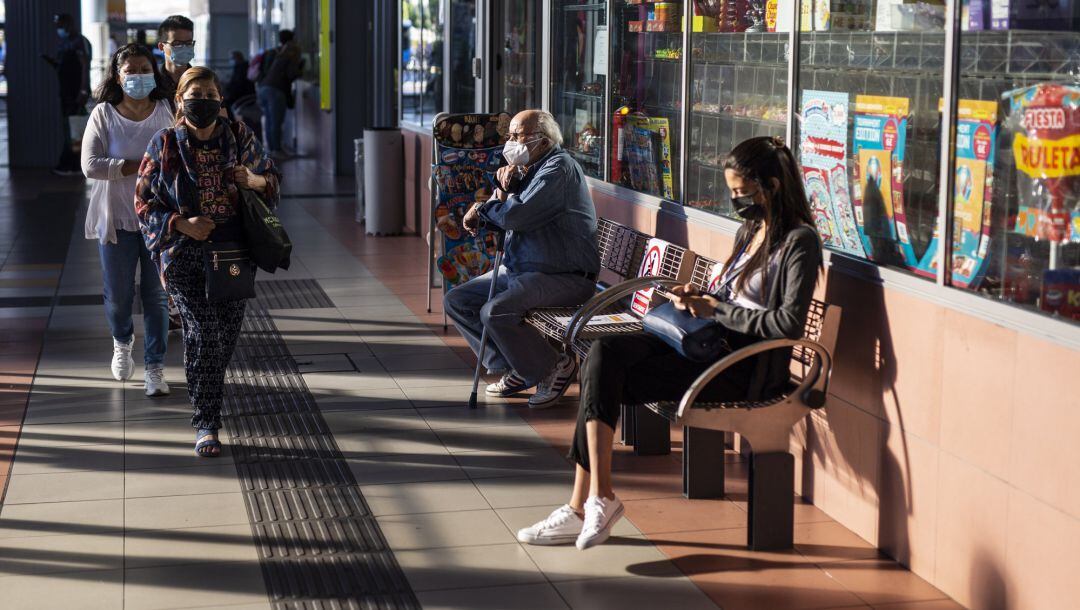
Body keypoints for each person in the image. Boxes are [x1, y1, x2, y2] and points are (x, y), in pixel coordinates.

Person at [516, 136, 824, 550]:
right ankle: (595, 499)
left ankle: (585, 504)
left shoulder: (799, 242)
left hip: (742, 366)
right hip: (708, 347)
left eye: (742, 193)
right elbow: (731, 296)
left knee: (599, 378)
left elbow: (787, 323)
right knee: (603, 357)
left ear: (772, 186)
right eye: (732, 192)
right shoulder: (751, 229)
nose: (737, 201)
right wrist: (697, 297)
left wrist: (713, 310)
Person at [135, 67, 280, 457]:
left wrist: (253, 180)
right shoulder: (164, 144)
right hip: (184, 256)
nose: (203, 101)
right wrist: (181, 223)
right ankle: (206, 424)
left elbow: (271, 181)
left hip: (234, 254)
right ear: (180, 101)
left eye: (210, 94)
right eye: (194, 94)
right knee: (203, 337)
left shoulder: (239, 137)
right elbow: (143, 203)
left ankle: (207, 399)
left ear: (220, 100)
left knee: (224, 339)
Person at [444, 109, 600, 408]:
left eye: (519, 135)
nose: (511, 142)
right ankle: (519, 366)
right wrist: (495, 198)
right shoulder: (526, 168)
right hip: (523, 269)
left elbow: (519, 216)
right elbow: (503, 209)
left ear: (542, 139)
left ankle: (552, 366)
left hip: (563, 275)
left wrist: (484, 208)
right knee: (458, 301)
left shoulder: (557, 169)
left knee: (496, 311)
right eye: (510, 135)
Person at [82, 44, 175, 395]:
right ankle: (122, 342)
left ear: (154, 71)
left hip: (161, 219)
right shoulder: (104, 114)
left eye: (144, 69)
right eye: (130, 71)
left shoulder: (168, 109)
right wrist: (141, 165)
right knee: (119, 295)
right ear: (118, 77)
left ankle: (155, 367)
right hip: (117, 217)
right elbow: (90, 165)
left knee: (156, 295)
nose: (138, 76)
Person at [42, 13, 91, 176]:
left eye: (60, 25)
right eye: (57, 26)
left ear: (68, 23)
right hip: (65, 92)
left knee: (74, 129)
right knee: (69, 129)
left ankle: (72, 165)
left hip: (76, 93)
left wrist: (84, 90)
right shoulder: (65, 43)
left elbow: (85, 66)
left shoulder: (79, 41)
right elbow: (62, 66)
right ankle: (70, 163)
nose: (59, 29)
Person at [255, 29, 302, 158]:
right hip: (276, 90)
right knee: (276, 121)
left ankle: (271, 149)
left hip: (264, 87)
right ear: (292, 39)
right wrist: (301, 70)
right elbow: (291, 73)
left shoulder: (276, 51)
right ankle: (276, 150)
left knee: (270, 121)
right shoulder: (292, 51)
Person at [156, 15, 195, 96]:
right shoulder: (153, 81)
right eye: (177, 43)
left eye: (188, 43)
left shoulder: (201, 79)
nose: (184, 48)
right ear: (161, 46)